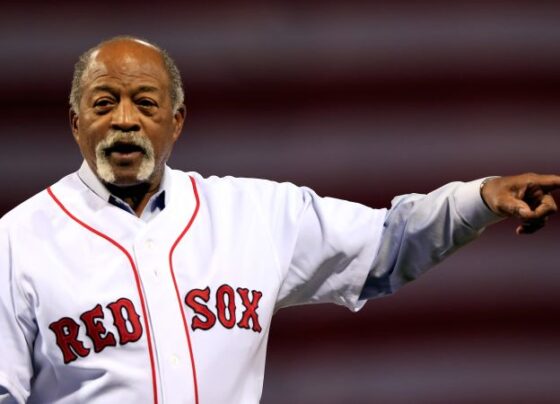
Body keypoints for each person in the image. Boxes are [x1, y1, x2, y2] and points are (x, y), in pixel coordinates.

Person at [0, 36, 558, 404]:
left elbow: (388, 244)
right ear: (75, 122)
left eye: (145, 103)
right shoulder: (17, 241)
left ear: (176, 122)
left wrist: (480, 198)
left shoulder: (253, 215)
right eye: (104, 103)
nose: (125, 120)